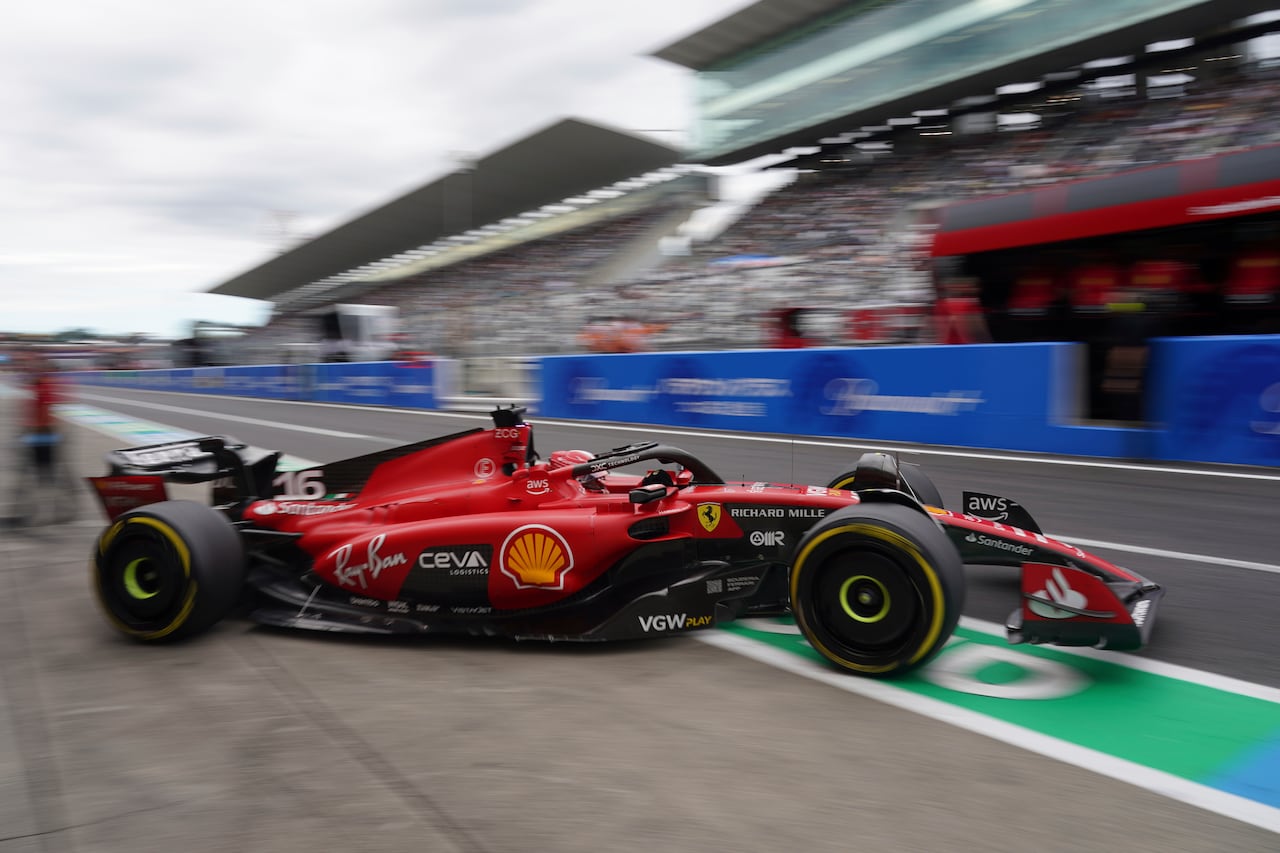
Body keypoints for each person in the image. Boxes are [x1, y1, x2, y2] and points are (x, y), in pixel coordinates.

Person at [932, 278, 991, 344]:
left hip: (954, 344)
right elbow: (977, 329)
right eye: (974, 287)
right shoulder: (966, 304)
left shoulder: (943, 304)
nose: (977, 289)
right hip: (962, 345)